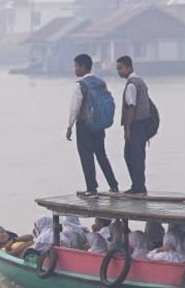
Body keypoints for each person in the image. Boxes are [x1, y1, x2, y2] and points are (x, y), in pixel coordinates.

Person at [66, 54, 119, 197]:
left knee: (86, 156)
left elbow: (74, 108)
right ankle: (113, 185)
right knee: (101, 154)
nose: (75, 69)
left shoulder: (80, 85)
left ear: (83, 67)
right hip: (99, 124)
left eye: (76, 66)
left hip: (84, 125)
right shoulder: (100, 82)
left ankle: (91, 188)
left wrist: (69, 127)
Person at [116, 55, 155, 195]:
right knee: (138, 156)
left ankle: (138, 187)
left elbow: (131, 107)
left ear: (129, 67)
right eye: (118, 68)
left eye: (121, 68)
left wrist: (127, 128)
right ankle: (139, 185)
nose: (119, 71)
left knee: (131, 156)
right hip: (143, 124)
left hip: (136, 125)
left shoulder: (131, 84)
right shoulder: (141, 81)